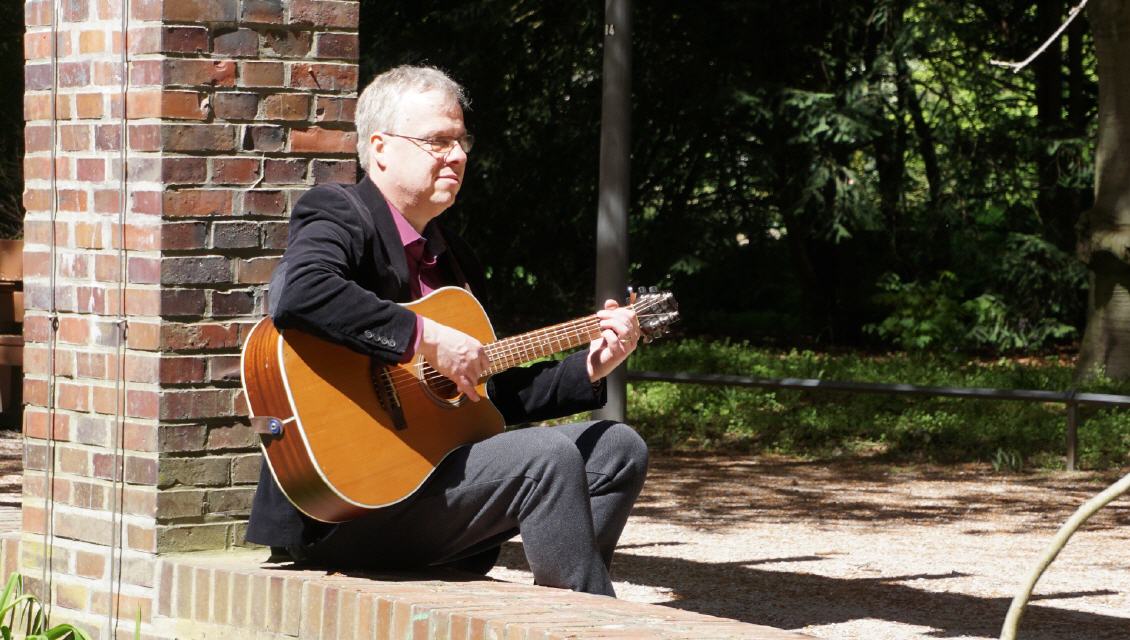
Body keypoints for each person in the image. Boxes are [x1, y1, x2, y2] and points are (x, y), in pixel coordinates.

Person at [245, 65, 649, 597]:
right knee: (544, 456)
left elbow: (487, 395)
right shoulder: (339, 213)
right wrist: (426, 337)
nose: (457, 156)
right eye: (437, 141)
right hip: (347, 511)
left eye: (461, 142)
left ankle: (572, 606)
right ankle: (591, 620)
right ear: (381, 147)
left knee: (617, 446)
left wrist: (591, 366)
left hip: (434, 491)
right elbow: (299, 293)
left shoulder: (454, 258)